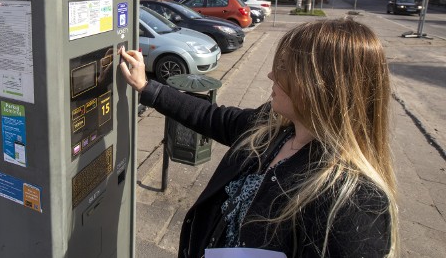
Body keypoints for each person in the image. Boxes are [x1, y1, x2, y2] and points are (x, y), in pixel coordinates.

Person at [119, 18, 398, 257]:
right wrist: (147, 88)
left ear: (322, 87)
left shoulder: (354, 202)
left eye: (286, 68)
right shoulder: (272, 129)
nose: (270, 74)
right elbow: (212, 117)